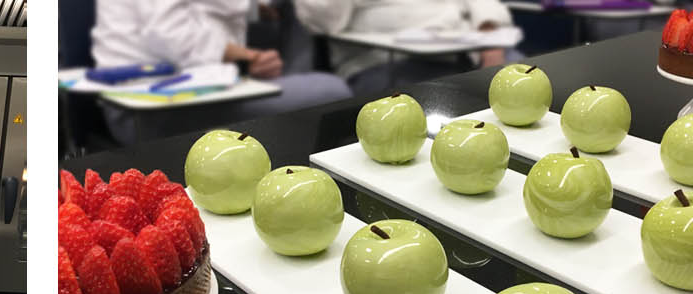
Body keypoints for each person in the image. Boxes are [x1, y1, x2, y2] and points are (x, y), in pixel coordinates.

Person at [91, 0, 354, 142]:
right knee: (331, 91)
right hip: (146, 106)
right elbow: (168, 34)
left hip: (200, 87)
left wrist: (255, 10)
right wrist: (246, 57)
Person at [295, 0, 522, 95]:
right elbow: (325, 20)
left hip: (472, 50)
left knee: (527, 84)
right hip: (383, 63)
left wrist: (491, 42)